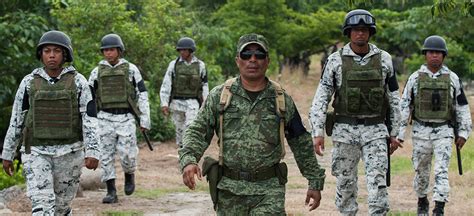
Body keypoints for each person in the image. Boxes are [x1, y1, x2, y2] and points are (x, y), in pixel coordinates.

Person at [179, 33, 326, 215]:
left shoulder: (281, 99)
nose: (253, 60)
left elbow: (301, 142)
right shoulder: (220, 96)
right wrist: (189, 159)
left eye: (259, 55)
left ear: (268, 61)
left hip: (269, 190)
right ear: (237, 61)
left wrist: (314, 181)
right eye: (246, 55)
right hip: (229, 191)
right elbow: (198, 130)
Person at [309, 9, 402, 215]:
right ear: (348, 32)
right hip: (344, 130)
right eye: (355, 30)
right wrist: (317, 132)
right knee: (345, 184)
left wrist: (395, 133)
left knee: (378, 184)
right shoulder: (335, 60)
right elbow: (321, 97)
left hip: (376, 130)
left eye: (364, 30)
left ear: (370, 32)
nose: (360, 34)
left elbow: (394, 98)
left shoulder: (384, 59)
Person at [1, 30, 99, 215]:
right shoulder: (29, 82)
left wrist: (93, 151)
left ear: (65, 55)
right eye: (47, 51)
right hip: (36, 152)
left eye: (56, 51)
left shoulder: (79, 82)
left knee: (61, 208)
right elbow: (17, 119)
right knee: (42, 206)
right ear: (41, 54)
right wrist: (8, 153)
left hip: (69, 153)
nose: (51, 55)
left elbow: (90, 119)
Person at [397, 35, 472, 216]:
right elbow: (404, 105)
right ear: (425, 55)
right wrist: (398, 134)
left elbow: (462, 107)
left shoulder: (452, 78)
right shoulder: (415, 78)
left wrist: (463, 132)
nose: (435, 56)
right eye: (431, 52)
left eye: (438, 53)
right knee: (421, 171)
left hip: (444, 131)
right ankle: (422, 199)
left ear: (444, 56)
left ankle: (439, 207)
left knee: (441, 170)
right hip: (420, 131)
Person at [88, 33, 151, 203]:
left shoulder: (131, 69)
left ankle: (130, 175)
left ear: (119, 51)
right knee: (106, 155)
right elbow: (89, 99)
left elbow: (142, 94)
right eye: (105, 50)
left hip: (125, 118)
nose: (108, 53)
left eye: (111, 50)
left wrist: (144, 120)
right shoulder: (96, 72)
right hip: (104, 118)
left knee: (128, 155)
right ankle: (111, 191)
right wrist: (89, 122)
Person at [159, 37, 209, 148]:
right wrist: (164, 103)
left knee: (190, 126)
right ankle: (182, 150)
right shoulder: (174, 65)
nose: (182, 52)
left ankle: (189, 150)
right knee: (179, 129)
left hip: (192, 102)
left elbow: (204, 85)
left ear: (190, 50)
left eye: (184, 50)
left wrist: (206, 103)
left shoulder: (200, 65)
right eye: (180, 50)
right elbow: (166, 84)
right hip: (177, 102)